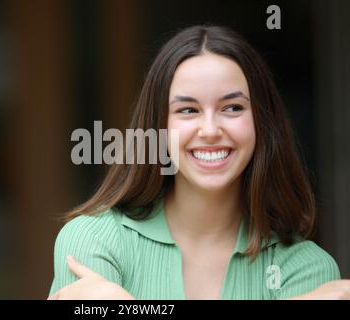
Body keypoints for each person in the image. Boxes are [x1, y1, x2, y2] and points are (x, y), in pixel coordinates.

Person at [48, 25, 349, 300]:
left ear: (262, 122)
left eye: (232, 107)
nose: (209, 130)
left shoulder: (306, 269)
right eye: (188, 110)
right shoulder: (95, 240)